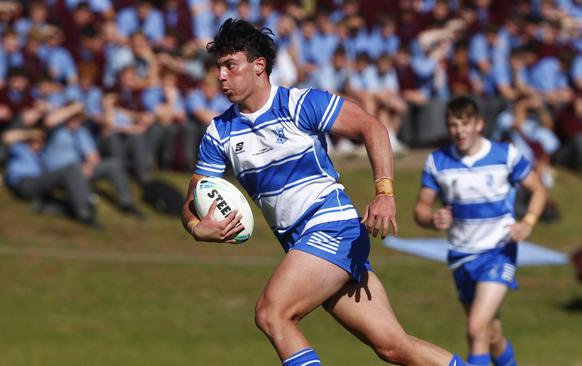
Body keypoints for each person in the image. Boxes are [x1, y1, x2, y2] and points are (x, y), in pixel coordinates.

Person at [181, 19, 466, 366]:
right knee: (394, 347)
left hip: (332, 227)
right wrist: (198, 228)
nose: (221, 76)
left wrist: (385, 192)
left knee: (273, 314)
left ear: (259, 66)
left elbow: (371, 127)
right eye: (218, 68)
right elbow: (193, 202)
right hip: (303, 244)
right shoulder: (219, 132)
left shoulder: (299, 104)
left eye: (230, 66)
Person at [413, 96, 548, 366]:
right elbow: (421, 209)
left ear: (479, 124)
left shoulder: (505, 155)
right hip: (462, 256)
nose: (459, 131)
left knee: (475, 329)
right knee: (491, 334)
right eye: (453, 125)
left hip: (499, 251)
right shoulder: (438, 162)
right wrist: (432, 219)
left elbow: (539, 190)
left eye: (465, 124)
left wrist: (528, 222)